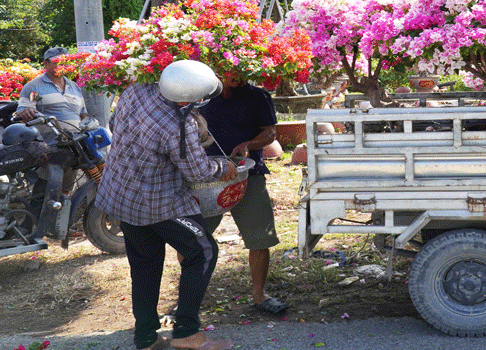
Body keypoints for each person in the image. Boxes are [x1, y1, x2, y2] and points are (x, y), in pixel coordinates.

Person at [95, 60, 236, 350]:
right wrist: (223, 166)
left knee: (145, 266)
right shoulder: (178, 124)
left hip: (122, 196)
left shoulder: (136, 90)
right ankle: (186, 334)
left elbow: (113, 124)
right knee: (204, 252)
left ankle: (146, 338)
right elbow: (196, 171)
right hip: (159, 203)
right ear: (186, 98)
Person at [198, 73, 289, 315]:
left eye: (241, 72)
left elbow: (270, 133)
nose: (237, 77)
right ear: (216, 70)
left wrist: (249, 144)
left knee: (260, 238)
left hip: (249, 174)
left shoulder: (257, 96)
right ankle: (190, 299)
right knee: (194, 238)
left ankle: (259, 295)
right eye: (230, 72)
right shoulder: (199, 97)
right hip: (205, 177)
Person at [16, 46, 89, 142]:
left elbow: (83, 116)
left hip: (77, 145)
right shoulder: (34, 88)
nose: (62, 65)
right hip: (49, 148)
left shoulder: (74, 87)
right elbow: (23, 115)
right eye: (56, 62)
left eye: (64, 61)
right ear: (45, 64)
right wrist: (26, 111)